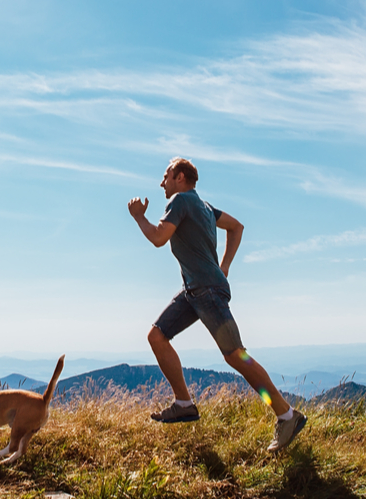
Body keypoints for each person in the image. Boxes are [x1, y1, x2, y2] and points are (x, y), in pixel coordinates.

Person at [127, 157, 306, 452]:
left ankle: (287, 415)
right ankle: (184, 403)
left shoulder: (180, 201)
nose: (162, 183)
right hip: (195, 291)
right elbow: (236, 227)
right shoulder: (206, 207)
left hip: (207, 291)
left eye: (166, 176)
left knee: (236, 355)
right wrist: (224, 267)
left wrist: (138, 217)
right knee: (157, 336)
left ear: (180, 177)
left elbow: (159, 238)